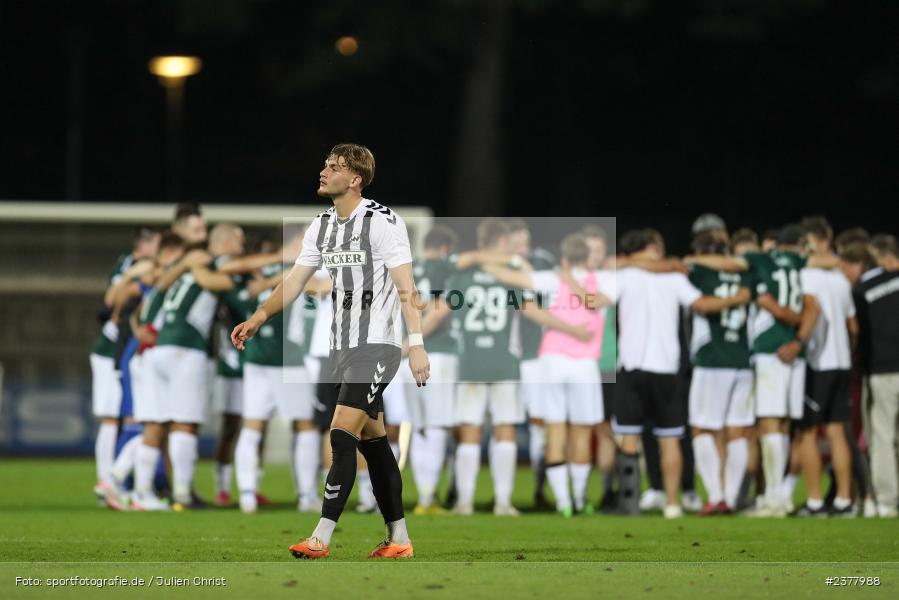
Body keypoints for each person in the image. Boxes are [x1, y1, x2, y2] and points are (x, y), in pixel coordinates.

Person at [232, 143, 429, 559]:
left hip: (379, 343)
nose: (324, 171)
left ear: (355, 179)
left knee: (340, 432)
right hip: (341, 346)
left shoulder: (381, 221)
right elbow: (294, 280)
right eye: (325, 164)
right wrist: (259, 316)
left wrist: (416, 345)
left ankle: (320, 537)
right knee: (374, 442)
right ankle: (400, 539)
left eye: (335, 167)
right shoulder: (321, 225)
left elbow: (406, 286)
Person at [607, 230, 751, 518]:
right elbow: (701, 304)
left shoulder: (623, 275)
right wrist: (736, 299)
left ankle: (630, 503)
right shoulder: (673, 277)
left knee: (629, 438)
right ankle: (673, 503)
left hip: (631, 366)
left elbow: (597, 299)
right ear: (653, 247)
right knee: (670, 439)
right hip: (666, 369)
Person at [484, 233, 608, 516]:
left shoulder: (552, 279)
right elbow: (595, 302)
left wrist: (509, 260)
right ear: (589, 257)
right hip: (585, 364)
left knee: (555, 430)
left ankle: (564, 503)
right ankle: (579, 499)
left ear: (564, 258)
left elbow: (502, 275)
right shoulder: (604, 280)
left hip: (551, 360)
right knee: (581, 432)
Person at [686, 231, 755, 516]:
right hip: (742, 358)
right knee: (737, 431)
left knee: (702, 428)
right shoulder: (746, 272)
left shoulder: (698, 272)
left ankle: (716, 496)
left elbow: (698, 303)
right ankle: (731, 495)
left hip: (712, 358)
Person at [793, 217, 857, 517]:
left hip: (819, 363)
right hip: (842, 361)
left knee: (806, 432)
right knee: (836, 431)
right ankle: (844, 500)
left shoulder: (808, 276)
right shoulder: (841, 278)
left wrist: (800, 343)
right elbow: (852, 326)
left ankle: (816, 501)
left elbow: (811, 310)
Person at [91, 226, 159, 501]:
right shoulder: (133, 266)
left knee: (126, 417)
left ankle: (116, 481)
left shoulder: (132, 265)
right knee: (111, 417)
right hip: (110, 350)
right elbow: (111, 300)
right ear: (144, 246)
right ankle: (107, 482)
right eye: (156, 245)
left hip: (123, 348)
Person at [406, 224, 460, 515]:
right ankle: (428, 498)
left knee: (419, 426)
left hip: (407, 359)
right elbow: (440, 310)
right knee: (437, 425)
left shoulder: (408, 268)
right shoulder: (446, 268)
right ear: (446, 248)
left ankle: (423, 496)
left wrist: (405, 345)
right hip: (434, 354)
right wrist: (414, 341)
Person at [854, 234, 899, 518]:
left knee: (882, 435)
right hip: (883, 367)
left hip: (881, 369)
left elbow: (859, 333)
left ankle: (887, 500)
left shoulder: (865, 288)